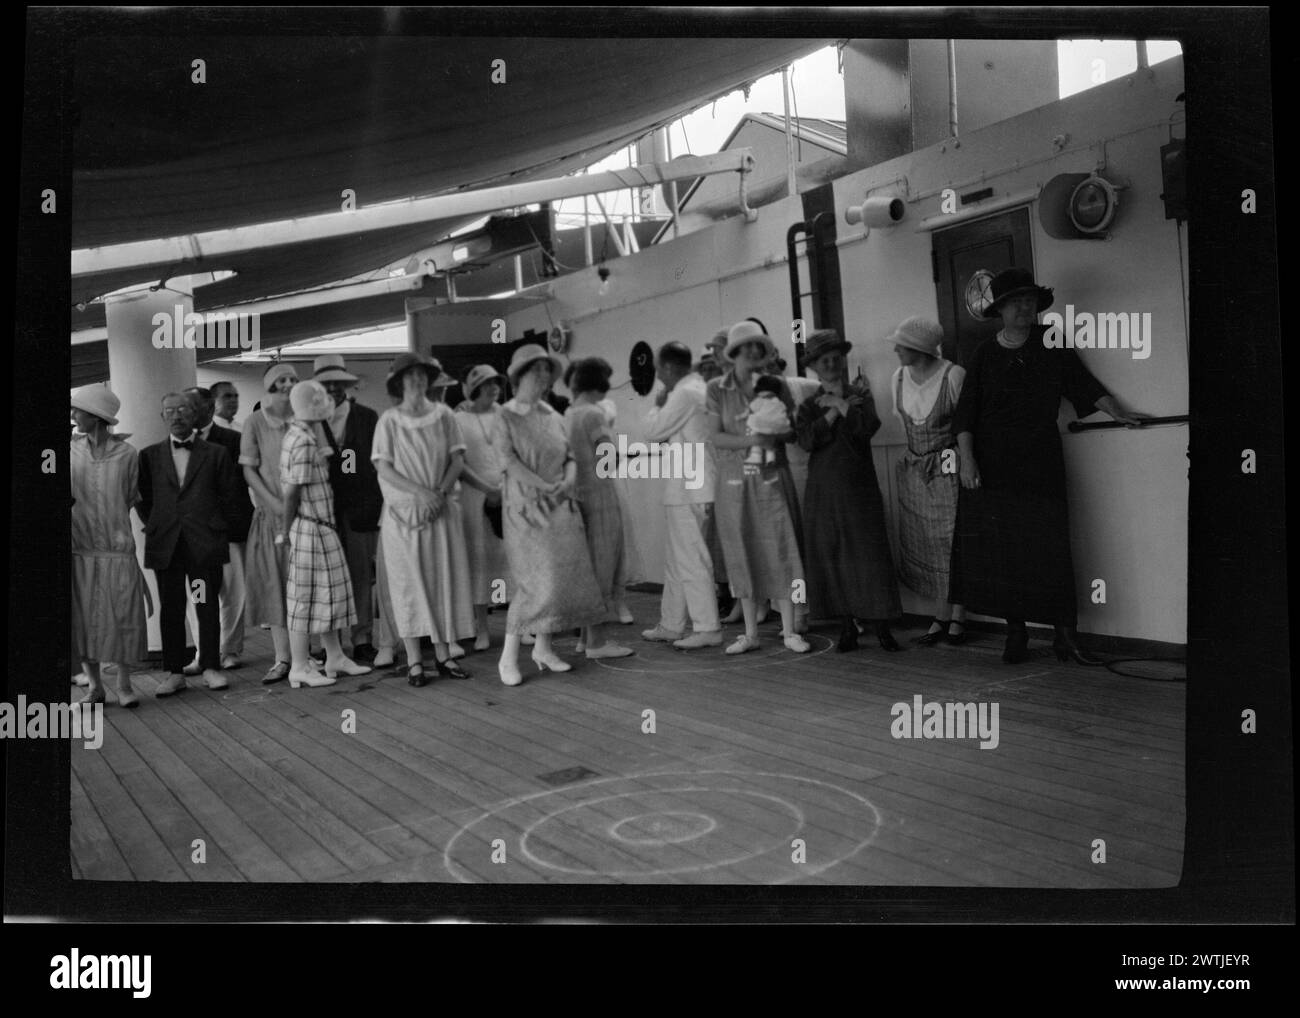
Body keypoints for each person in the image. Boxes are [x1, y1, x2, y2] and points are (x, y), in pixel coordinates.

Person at [950, 267, 1147, 664]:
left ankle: (1065, 636)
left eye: (1031, 301)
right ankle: (1016, 634)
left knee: (1050, 547)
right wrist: (967, 461)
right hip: (993, 466)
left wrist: (1118, 412)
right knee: (1005, 552)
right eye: (1016, 302)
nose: (1026, 308)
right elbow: (965, 416)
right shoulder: (984, 354)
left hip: (1040, 460)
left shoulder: (1052, 343)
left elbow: (1084, 385)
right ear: (1001, 309)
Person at [494, 344, 608, 685]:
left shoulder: (553, 414)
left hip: (561, 505)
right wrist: (543, 486)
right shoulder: (506, 415)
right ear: (519, 375)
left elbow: (571, 456)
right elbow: (508, 461)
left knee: (559, 581)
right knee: (532, 583)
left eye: (546, 369)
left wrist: (568, 480)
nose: (542, 376)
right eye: (535, 369)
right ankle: (508, 658)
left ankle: (543, 648)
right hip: (527, 509)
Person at [371, 353, 475, 686]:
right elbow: (383, 467)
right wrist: (422, 494)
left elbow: (458, 460)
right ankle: (415, 661)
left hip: (440, 510)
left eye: (421, 375)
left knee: (442, 581)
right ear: (399, 383)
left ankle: (444, 656)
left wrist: (439, 494)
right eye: (409, 376)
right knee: (408, 586)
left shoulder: (444, 414)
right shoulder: (388, 420)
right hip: (403, 516)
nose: (416, 381)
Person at [795, 329, 902, 652]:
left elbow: (867, 429)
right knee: (834, 556)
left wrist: (843, 404)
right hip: (824, 492)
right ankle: (847, 629)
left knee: (869, 556)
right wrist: (830, 411)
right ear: (813, 365)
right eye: (823, 359)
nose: (830, 363)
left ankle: (883, 627)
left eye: (835, 357)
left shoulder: (860, 395)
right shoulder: (808, 405)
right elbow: (806, 440)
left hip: (859, 489)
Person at [705, 320, 808, 654]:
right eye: (745, 346)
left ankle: (791, 629)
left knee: (784, 551)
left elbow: (793, 431)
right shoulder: (717, 388)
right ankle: (750, 633)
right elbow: (715, 435)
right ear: (733, 352)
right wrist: (750, 437)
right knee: (740, 553)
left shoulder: (776, 385)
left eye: (757, 346)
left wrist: (775, 432)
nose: (752, 352)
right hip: (734, 484)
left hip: (772, 478)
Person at [137, 392, 241, 696]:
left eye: (182, 409)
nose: (177, 415)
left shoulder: (216, 453)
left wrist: (213, 526)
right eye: (170, 410)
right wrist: (158, 523)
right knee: (171, 608)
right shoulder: (149, 456)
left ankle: (210, 666)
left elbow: (228, 496)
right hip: (167, 544)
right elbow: (144, 498)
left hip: (202, 543)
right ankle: (173, 672)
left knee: (205, 603)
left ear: (193, 415)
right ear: (162, 417)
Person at [277, 380, 371, 688]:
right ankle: (300, 665)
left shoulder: (304, 435)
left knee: (329, 595)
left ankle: (335, 656)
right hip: (310, 527)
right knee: (304, 598)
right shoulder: (302, 441)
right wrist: (286, 530)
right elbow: (292, 492)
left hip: (320, 526)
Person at [889, 317, 968, 645]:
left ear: (919, 348)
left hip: (947, 464)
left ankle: (958, 616)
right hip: (914, 469)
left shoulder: (953, 375)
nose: (895, 350)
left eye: (901, 345)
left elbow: (965, 424)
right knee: (926, 542)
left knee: (952, 540)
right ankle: (940, 615)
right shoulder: (897, 378)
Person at [640, 341, 721, 648]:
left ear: (670, 368)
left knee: (691, 559)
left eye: (659, 368)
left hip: (691, 487)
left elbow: (653, 431)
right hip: (690, 485)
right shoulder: (696, 388)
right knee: (678, 559)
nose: (658, 374)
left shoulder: (684, 392)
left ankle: (707, 627)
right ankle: (672, 624)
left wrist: (658, 403)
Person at [70, 385, 146, 707]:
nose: (73, 416)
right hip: (81, 549)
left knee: (124, 616)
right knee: (84, 619)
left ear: (97, 417)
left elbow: (131, 497)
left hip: (118, 551)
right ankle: (95, 687)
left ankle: (125, 686)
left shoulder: (127, 454)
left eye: (78, 411)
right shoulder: (69, 451)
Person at [564, 358, 636, 660]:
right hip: (601, 497)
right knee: (603, 566)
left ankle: (584, 637)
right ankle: (596, 642)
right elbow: (608, 457)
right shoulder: (594, 414)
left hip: (577, 496)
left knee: (587, 565)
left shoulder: (568, 413)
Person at [313, 355, 383, 664]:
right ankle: (331, 645)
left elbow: (376, 464)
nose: (332, 388)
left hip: (360, 509)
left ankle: (363, 638)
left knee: (360, 576)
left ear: (346, 385)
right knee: (326, 579)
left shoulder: (367, 417)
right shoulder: (308, 419)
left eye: (337, 382)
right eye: (326, 382)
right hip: (321, 511)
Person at [182, 386, 252, 671]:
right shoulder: (178, 443)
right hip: (194, 535)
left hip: (230, 529)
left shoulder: (234, 440)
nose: (185, 413)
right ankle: (203, 653)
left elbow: (241, 484)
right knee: (197, 595)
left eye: (191, 407)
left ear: (208, 409)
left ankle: (230, 649)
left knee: (233, 593)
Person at [240, 362, 299, 685]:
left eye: (293, 379)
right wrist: (276, 505)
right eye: (281, 380)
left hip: (305, 518)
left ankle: (309, 653)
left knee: (306, 585)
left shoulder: (305, 419)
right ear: (270, 386)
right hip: (271, 519)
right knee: (275, 585)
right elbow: (250, 470)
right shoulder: (254, 422)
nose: (288, 384)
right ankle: (283, 657)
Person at [456, 364, 511, 651]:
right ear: (475, 387)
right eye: (488, 383)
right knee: (480, 562)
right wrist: (486, 489)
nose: (494, 388)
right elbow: (459, 464)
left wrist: (505, 486)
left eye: (496, 382)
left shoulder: (505, 414)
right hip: (475, 497)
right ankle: (482, 629)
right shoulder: (459, 419)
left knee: (510, 560)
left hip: (508, 493)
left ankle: (519, 625)